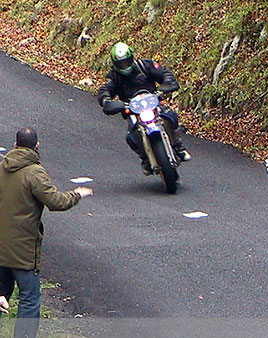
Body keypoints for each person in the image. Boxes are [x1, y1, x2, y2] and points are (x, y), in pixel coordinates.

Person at [0, 128, 93, 338]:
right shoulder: (34, 172)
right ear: (37, 146)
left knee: (2, 293)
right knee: (30, 298)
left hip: (1, 246)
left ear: (15, 146)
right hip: (22, 249)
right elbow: (56, 201)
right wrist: (77, 194)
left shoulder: (2, 168)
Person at [97, 42, 191, 176]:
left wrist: (165, 86)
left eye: (126, 62)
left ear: (131, 58)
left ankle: (178, 146)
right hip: (133, 111)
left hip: (153, 103)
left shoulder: (145, 66)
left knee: (171, 116)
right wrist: (107, 101)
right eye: (121, 64)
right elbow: (105, 90)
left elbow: (164, 73)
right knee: (130, 137)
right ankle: (145, 158)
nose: (125, 66)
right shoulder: (114, 77)